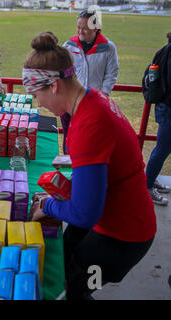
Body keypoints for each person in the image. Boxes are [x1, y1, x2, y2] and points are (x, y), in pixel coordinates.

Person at [24, 32, 156, 300]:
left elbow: (85, 214)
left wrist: (47, 206)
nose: (38, 103)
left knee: (71, 290)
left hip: (124, 233)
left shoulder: (90, 125)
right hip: (117, 213)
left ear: (54, 86)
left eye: (36, 94)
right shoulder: (91, 100)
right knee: (64, 262)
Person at [61, 9, 119, 152]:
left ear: (96, 28)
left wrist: (101, 96)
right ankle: (69, 169)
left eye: (85, 28)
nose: (80, 31)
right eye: (78, 27)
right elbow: (61, 71)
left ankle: (84, 171)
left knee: (89, 140)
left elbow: (111, 74)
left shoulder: (108, 48)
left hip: (94, 104)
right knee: (69, 138)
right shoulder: (68, 46)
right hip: (70, 103)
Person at [145, 31, 171, 206]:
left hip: (165, 106)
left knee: (162, 150)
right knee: (162, 150)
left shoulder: (165, 49)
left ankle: (150, 179)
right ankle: (147, 186)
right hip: (169, 108)